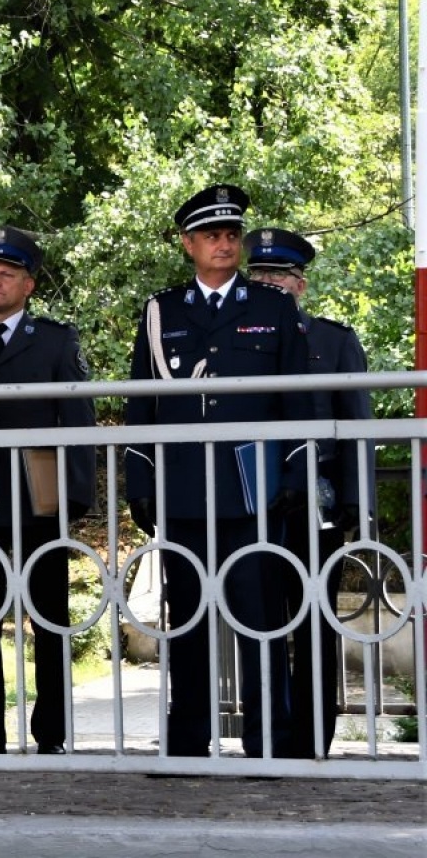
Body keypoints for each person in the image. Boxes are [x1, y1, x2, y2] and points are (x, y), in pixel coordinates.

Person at [125, 185, 311, 758]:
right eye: (211, 236)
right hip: (183, 492)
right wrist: (141, 484)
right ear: (189, 245)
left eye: (231, 235)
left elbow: (297, 403)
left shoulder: (272, 307)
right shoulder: (163, 312)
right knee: (189, 623)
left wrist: (295, 479)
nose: (224, 244)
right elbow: (142, 406)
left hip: (252, 492)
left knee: (259, 620)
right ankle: (187, 740)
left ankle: (267, 743)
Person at [0, 226, 95, 754]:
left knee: (50, 620)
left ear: (28, 285)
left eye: (7, 275)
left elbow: (78, 419)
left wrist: (75, 496)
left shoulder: (56, 340)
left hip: (41, 495)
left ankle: (51, 733)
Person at [245, 226, 373, 758]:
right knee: (258, 618)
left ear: (301, 285)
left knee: (315, 618)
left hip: (314, 504)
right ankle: (268, 733)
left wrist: (353, 501)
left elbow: (357, 425)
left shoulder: (334, 341)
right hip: (252, 500)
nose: (270, 283)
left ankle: (312, 733)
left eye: (279, 276)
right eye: (260, 276)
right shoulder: (240, 337)